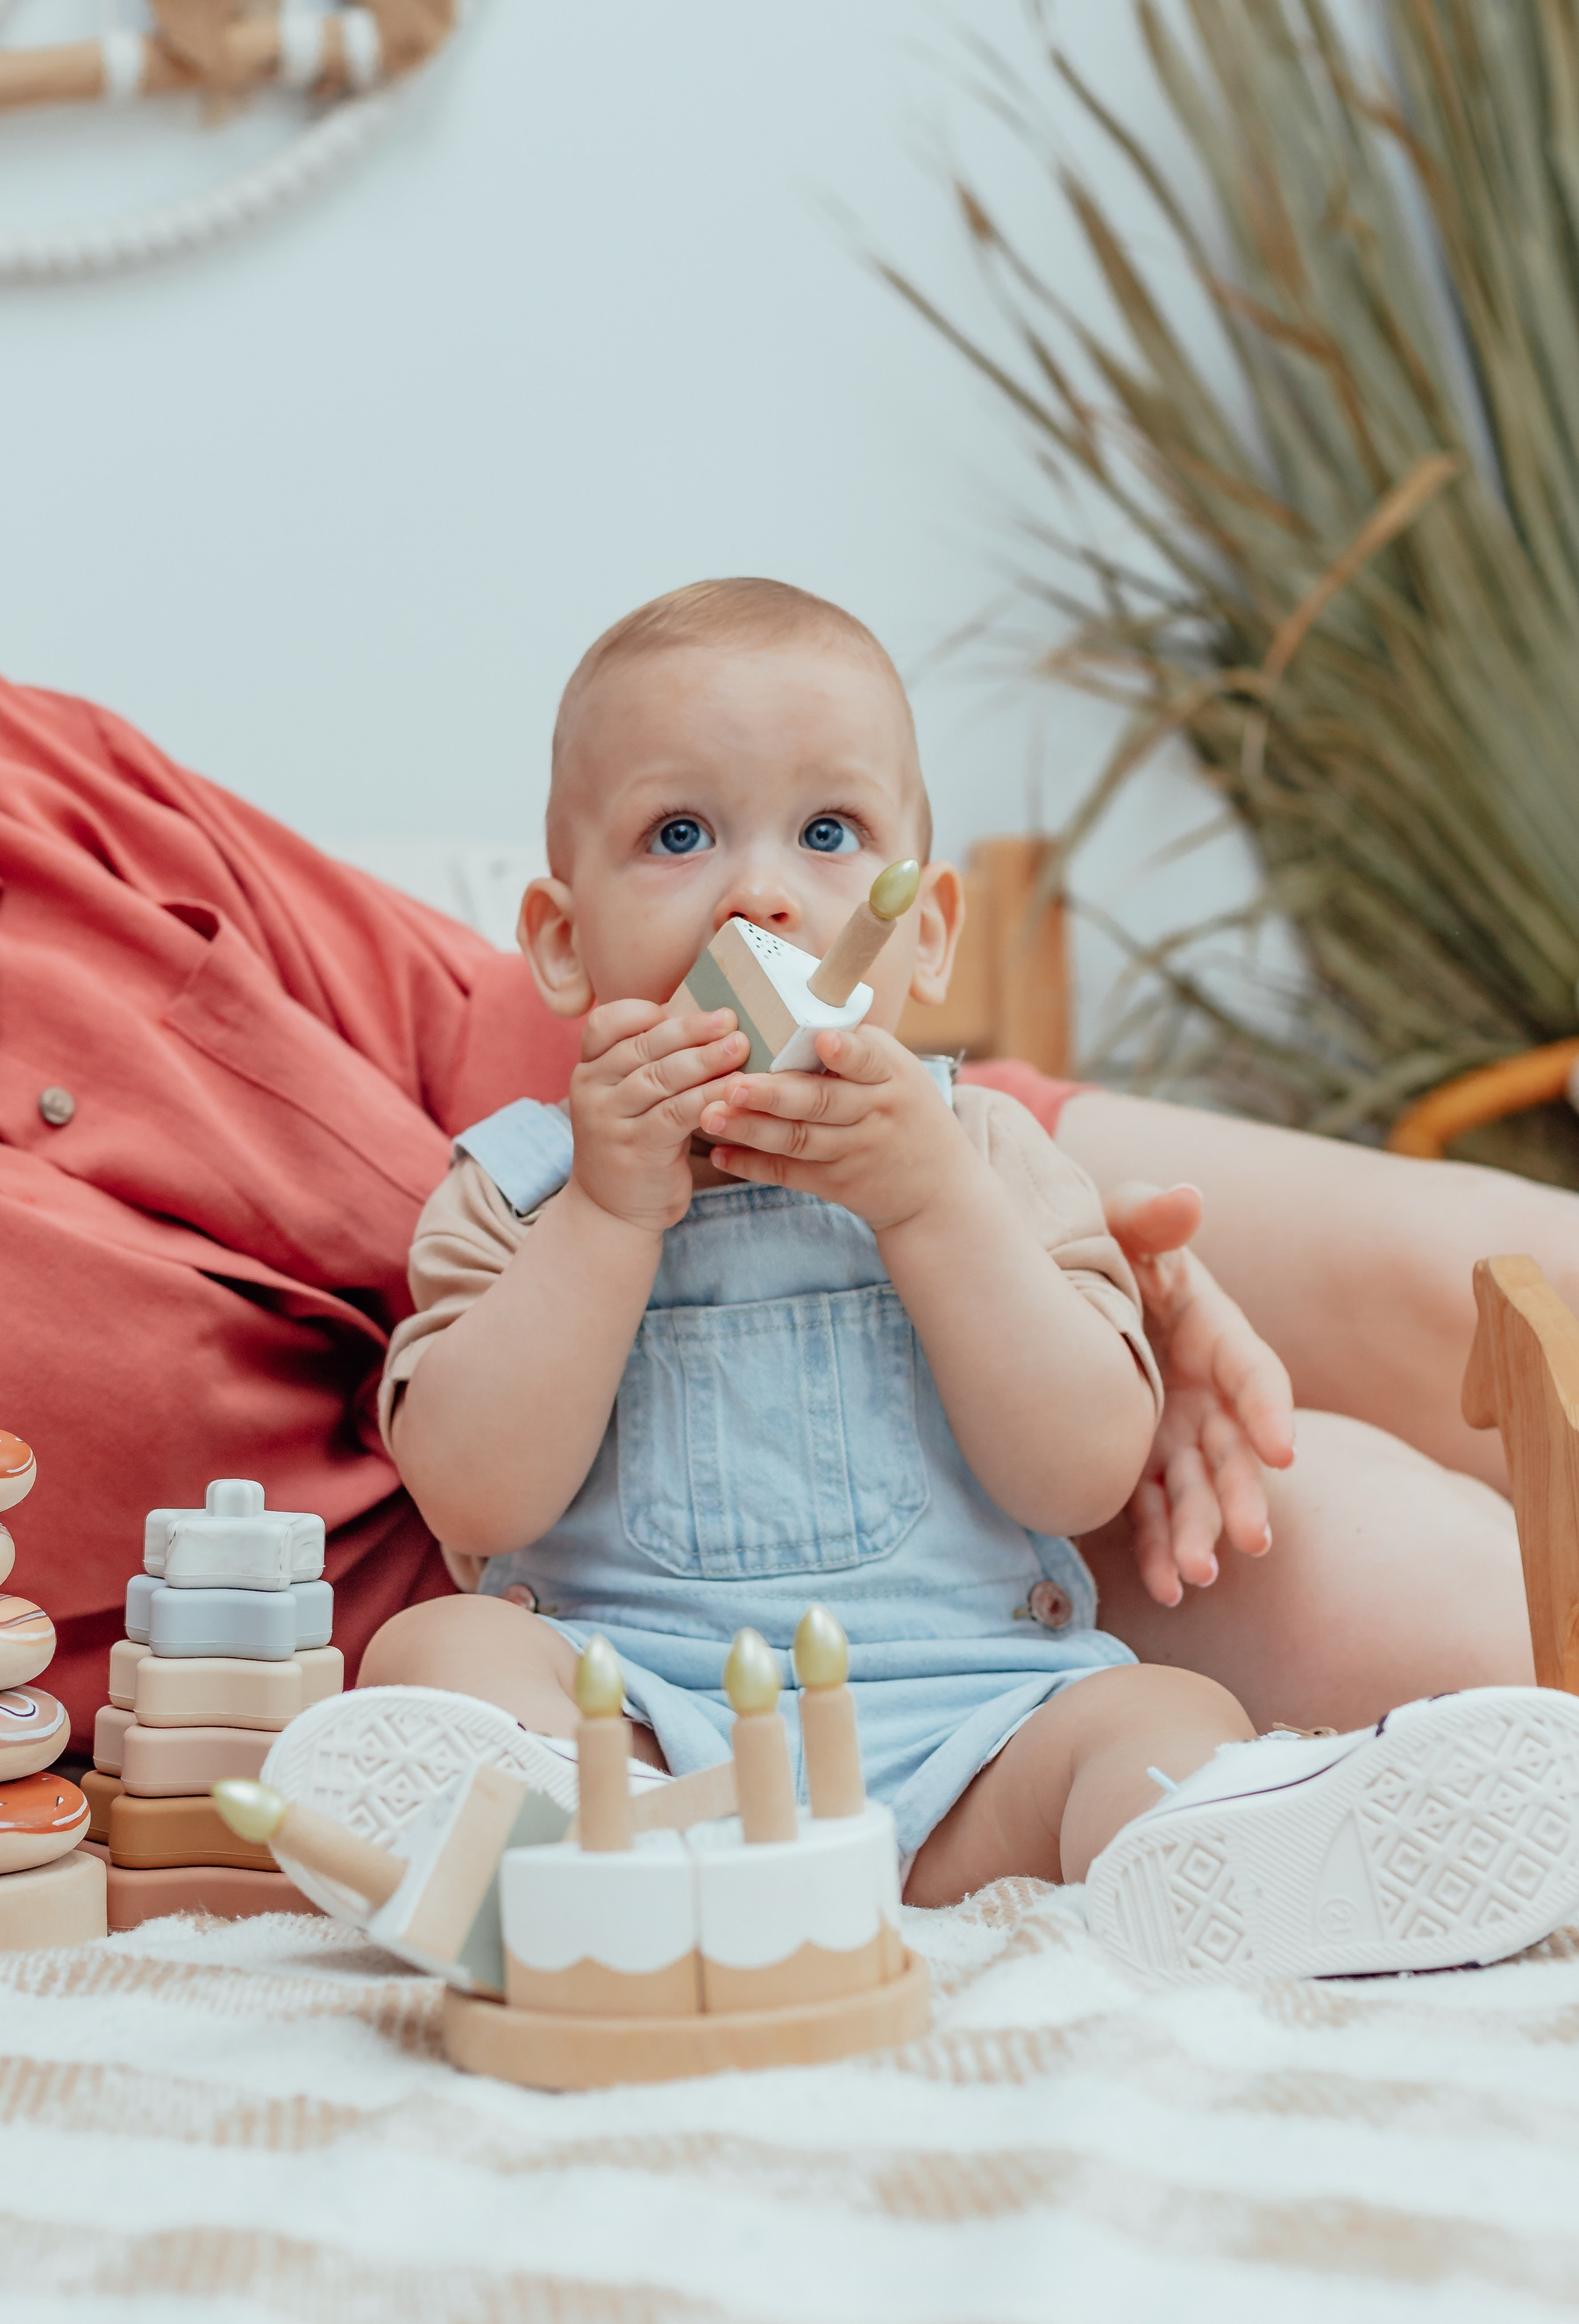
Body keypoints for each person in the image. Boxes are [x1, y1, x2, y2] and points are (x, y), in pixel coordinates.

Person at [363, 577, 1579, 1974]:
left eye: (829, 834)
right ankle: (584, 1876)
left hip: (974, 1728)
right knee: (437, 1657)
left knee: (1156, 1720)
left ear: (924, 931)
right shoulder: (517, 1192)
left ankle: (1237, 1861)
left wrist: (929, 1203)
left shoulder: (989, 1162)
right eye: (678, 833)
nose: (758, 892)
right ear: (562, 941)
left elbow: (1076, 1477)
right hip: (640, 1724)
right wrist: (608, 1214)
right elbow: (472, 1492)